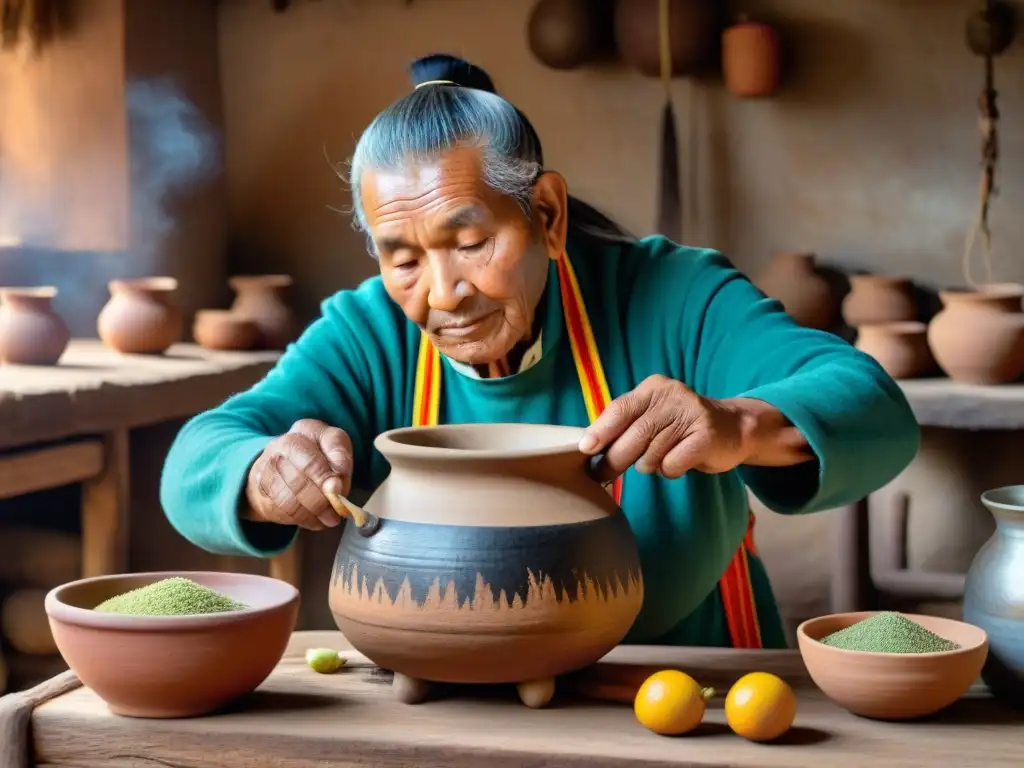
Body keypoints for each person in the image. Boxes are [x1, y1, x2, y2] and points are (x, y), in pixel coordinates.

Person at [160, 54, 919, 648]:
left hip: (691, 691)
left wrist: (738, 426)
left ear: (546, 216)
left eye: (471, 242)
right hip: (462, 697)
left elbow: (870, 402)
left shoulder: (672, 294)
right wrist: (261, 470)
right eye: (403, 258)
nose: (444, 292)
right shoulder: (369, 333)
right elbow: (200, 454)